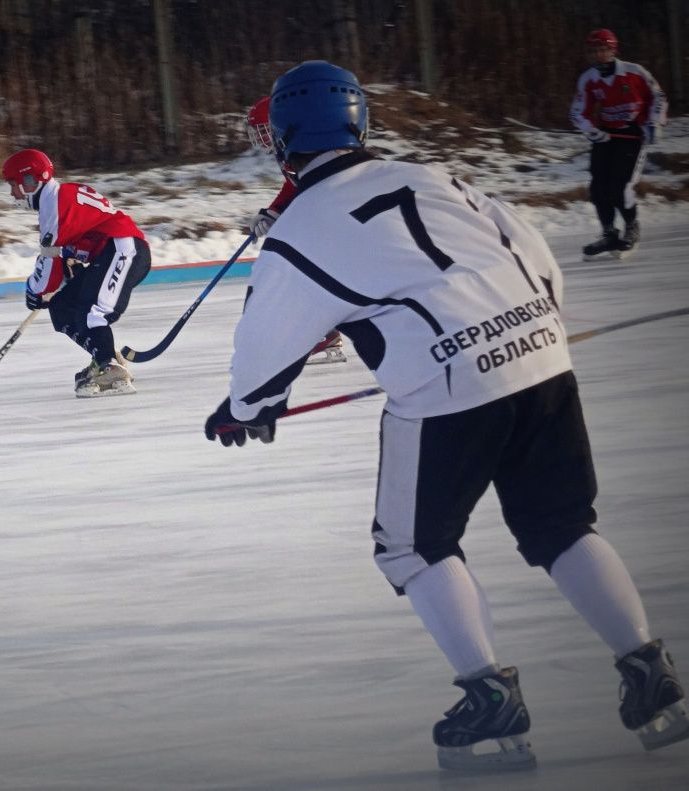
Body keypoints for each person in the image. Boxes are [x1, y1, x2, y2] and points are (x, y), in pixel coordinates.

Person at [205, 60, 687, 771]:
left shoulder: (299, 226)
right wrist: (530, 332)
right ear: (359, 122)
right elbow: (530, 248)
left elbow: (264, 345)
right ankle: (651, 673)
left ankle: (491, 702)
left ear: (282, 141)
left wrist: (249, 407)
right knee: (562, 525)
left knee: (412, 546)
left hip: (448, 388)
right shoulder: (433, 176)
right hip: (542, 358)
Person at [3, 148, 152, 397]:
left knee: (93, 311)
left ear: (31, 182)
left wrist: (35, 289)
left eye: (14, 184)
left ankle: (110, 367)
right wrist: (61, 271)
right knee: (62, 307)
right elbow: (64, 252)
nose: (12, 193)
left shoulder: (54, 204)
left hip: (123, 250)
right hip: (109, 254)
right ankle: (104, 356)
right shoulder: (56, 198)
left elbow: (49, 265)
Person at [246, 96, 346, 365]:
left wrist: (288, 217)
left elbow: (319, 185)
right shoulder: (287, 149)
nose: (261, 137)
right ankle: (325, 334)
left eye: (264, 129)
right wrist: (272, 212)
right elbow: (294, 185)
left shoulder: (308, 145)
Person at [569, 28, 668, 259]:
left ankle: (632, 228)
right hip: (606, 137)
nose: (598, 56)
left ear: (613, 50)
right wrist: (592, 131)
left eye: (603, 50)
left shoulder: (635, 72)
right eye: (593, 51)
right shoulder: (588, 79)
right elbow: (577, 113)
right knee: (598, 188)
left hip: (633, 136)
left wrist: (655, 124)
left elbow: (659, 97)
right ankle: (609, 233)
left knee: (620, 187)